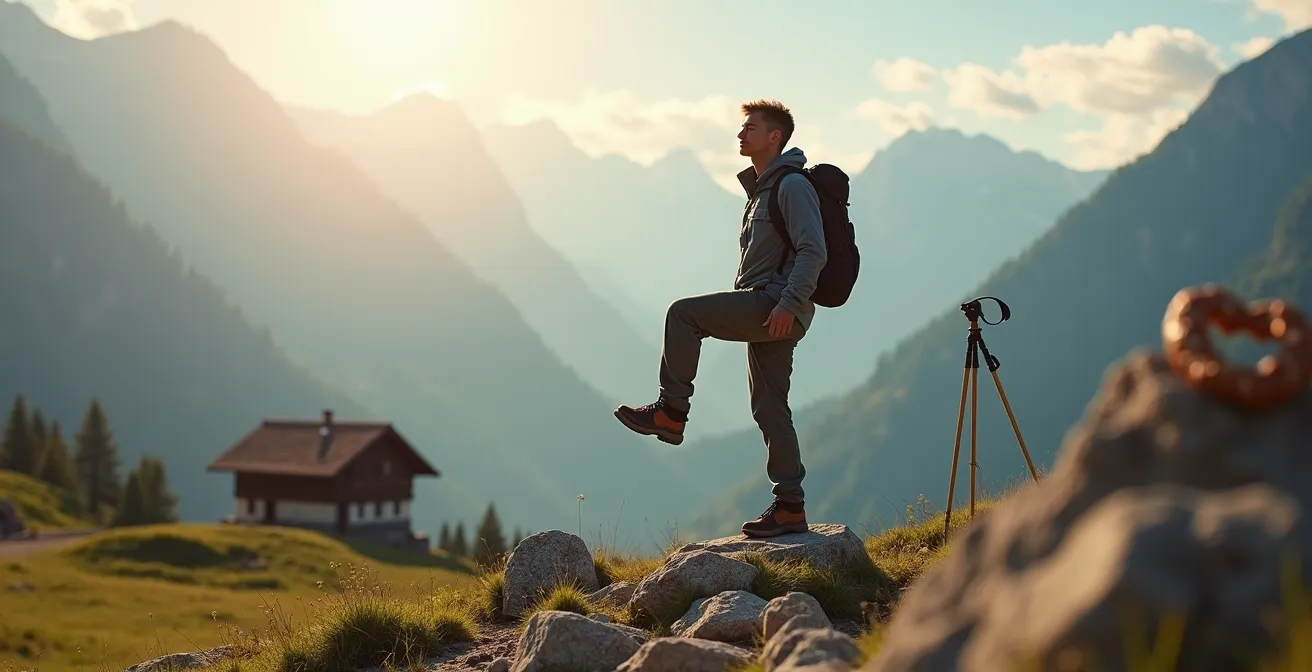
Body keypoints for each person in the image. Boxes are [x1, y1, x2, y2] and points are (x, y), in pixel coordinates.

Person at [613, 99, 827, 538]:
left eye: (750, 127)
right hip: (771, 306)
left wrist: (788, 304)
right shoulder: (762, 190)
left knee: (683, 315)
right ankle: (790, 507)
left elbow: (814, 251)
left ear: (775, 137)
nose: (740, 134)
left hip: (774, 306)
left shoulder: (791, 186)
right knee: (770, 408)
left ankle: (672, 411)